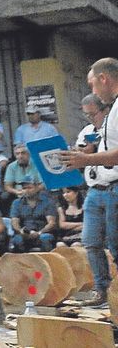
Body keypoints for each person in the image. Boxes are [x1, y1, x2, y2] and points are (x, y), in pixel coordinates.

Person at [63, 57, 118, 305]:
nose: (89, 119)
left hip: (114, 186)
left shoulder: (115, 112)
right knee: (91, 243)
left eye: (92, 84)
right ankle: (102, 291)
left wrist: (85, 159)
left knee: (116, 246)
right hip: (95, 189)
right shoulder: (91, 129)